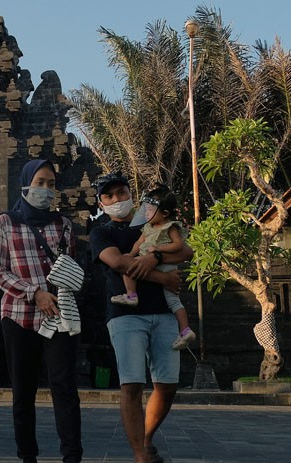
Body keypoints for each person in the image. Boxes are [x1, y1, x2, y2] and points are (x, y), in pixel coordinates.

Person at [89, 172, 193, 463]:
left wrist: (154, 257)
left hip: (163, 312)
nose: (117, 200)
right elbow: (118, 262)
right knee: (132, 383)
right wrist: (163, 278)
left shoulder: (152, 222)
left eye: (122, 193)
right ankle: (140, 455)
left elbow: (185, 251)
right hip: (125, 314)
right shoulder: (102, 232)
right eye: (109, 196)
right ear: (101, 202)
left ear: (131, 195)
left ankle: (146, 439)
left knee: (167, 385)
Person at [0, 160, 83, 463]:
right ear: (26, 184)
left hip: (58, 314)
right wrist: (34, 293)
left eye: (51, 184)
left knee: (64, 386)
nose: (46, 189)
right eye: (40, 182)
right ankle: (27, 455)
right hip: (18, 315)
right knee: (23, 390)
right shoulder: (6, 221)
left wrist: (56, 294)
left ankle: (72, 455)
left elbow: (69, 268)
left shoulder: (63, 225)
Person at [110, 185, 197, 350]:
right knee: (173, 301)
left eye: (150, 210)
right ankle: (185, 330)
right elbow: (139, 243)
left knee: (129, 269)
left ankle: (131, 295)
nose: (147, 214)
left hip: (166, 266)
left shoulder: (170, 227)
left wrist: (159, 250)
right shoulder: (148, 227)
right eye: (146, 210)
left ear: (164, 213)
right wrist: (130, 253)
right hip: (154, 264)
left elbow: (179, 246)